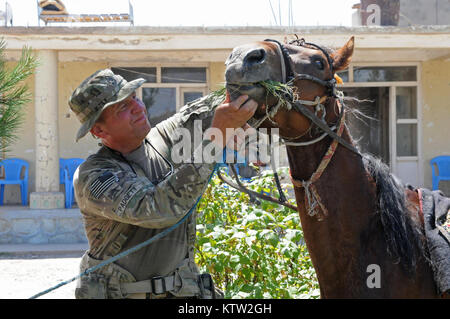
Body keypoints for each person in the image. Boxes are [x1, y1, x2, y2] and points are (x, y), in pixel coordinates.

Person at [68, 69, 257, 299]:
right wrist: (217, 135)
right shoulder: (94, 176)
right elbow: (158, 208)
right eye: (123, 107)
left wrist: (250, 87)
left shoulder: (160, 139)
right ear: (99, 130)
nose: (139, 107)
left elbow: (199, 112)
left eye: (134, 98)